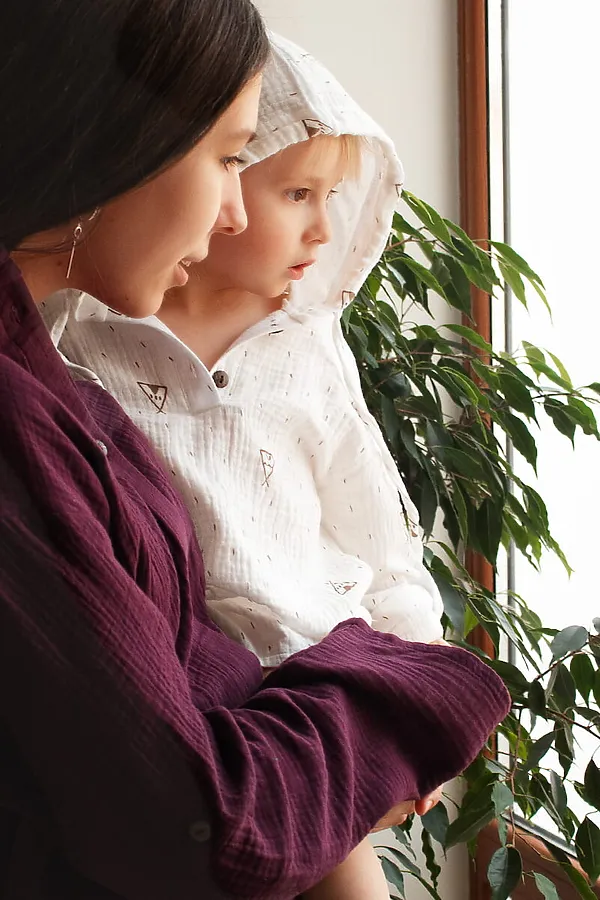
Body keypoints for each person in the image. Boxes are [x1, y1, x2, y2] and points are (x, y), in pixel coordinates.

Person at [0, 5, 510, 899]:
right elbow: (195, 825)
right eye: (231, 158)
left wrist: (395, 661)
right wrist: (414, 708)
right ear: (120, 140)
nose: (233, 209)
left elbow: (364, 537)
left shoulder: (47, 378)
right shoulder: (42, 399)